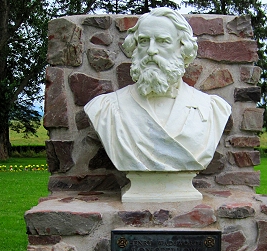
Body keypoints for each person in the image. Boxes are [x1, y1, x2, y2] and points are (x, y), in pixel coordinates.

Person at [84, 7, 231, 172]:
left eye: (163, 41)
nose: (151, 50)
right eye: (144, 41)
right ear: (135, 46)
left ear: (183, 48)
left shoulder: (212, 109)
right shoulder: (106, 108)